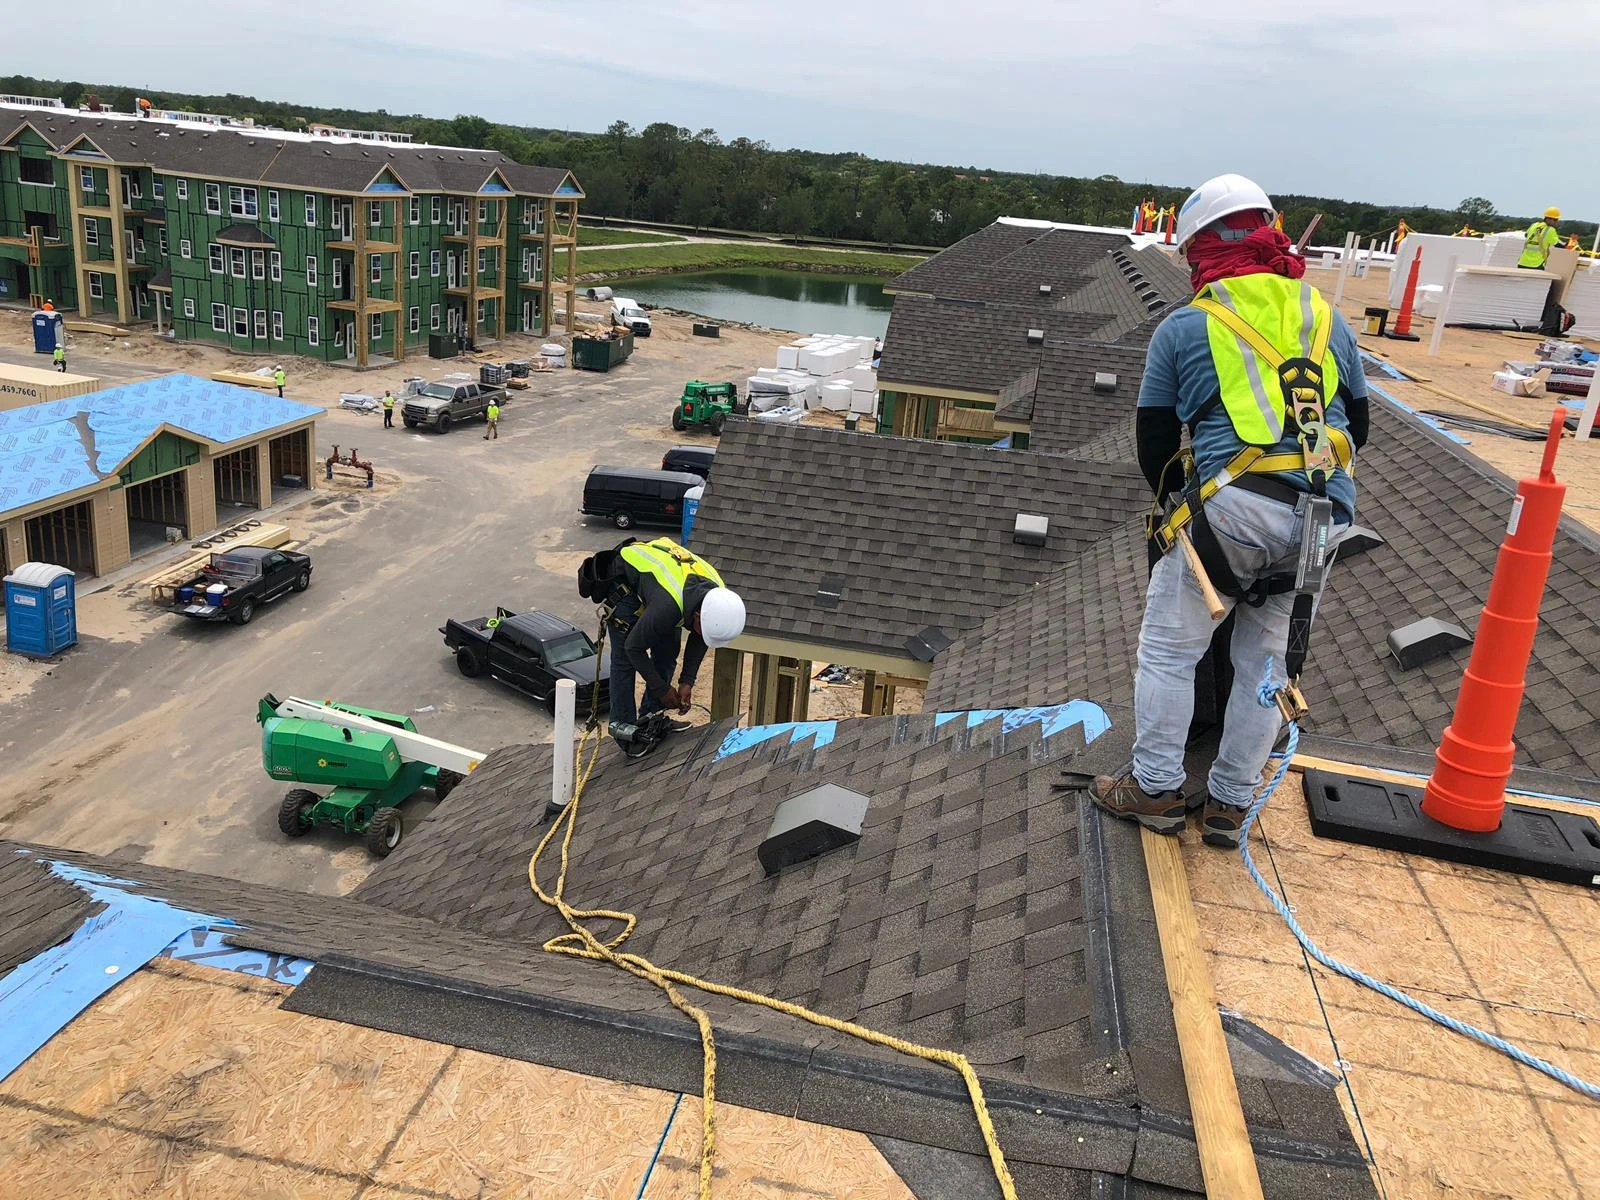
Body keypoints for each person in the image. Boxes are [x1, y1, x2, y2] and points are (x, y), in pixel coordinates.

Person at [1089, 173, 1370, 848]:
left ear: (1200, 251)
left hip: (1235, 509)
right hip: (1324, 516)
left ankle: (1156, 789)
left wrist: (1181, 508)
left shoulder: (1188, 325)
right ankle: (1230, 804)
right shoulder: (1326, 319)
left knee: (1170, 651)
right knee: (1267, 665)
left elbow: (1155, 441)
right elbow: (1357, 425)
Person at [585, 537, 745, 751]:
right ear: (698, 615)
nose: (701, 635)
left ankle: (652, 718)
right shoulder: (669, 606)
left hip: (663, 590)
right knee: (624, 659)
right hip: (624, 584)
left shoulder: (717, 597)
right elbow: (634, 648)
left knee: (668, 651)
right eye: (702, 629)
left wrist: (687, 681)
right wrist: (662, 690)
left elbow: (699, 637)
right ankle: (624, 730)